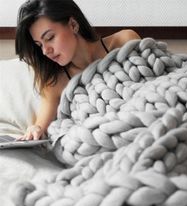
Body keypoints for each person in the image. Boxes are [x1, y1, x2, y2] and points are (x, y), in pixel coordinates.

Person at [16, 0, 140, 140]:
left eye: (50, 38)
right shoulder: (55, 82)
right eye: (39, 45)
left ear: (73, 25)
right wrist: (34, 128)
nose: (45, 51)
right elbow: (39, 126)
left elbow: (153, 85)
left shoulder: (124, 41)